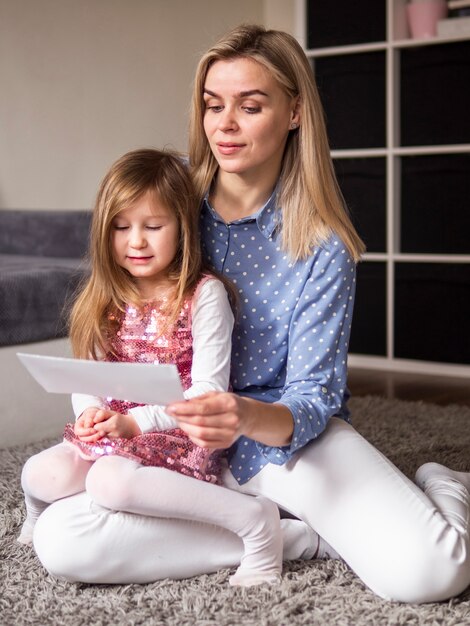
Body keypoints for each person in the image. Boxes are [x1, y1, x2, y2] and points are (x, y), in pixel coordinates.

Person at [32, 25, 470, 603]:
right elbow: (114, 297)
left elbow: (313, 396)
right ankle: (290, 535)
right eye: (214, 105)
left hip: (279, 441)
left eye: (250, 105)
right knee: (64, 540)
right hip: (172, 446)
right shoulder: (171, 201)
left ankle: (442, 487)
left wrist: (239, 414)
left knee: (431, 574)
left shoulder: (322, 245)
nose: (225, 125)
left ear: (293, 112)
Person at [19, 147, 294, 587]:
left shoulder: (204, 296)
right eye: (121, 227)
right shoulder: (103, 296)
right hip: (116, 432)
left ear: (182, 229)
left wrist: (136, 423)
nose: (136, 241)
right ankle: (39, 517)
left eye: (153, 226)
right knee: (39, 473)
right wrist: (89, 413)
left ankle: (254, 521)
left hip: (177, 435)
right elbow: (86, 376)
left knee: (108, 482)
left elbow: (207, 395)